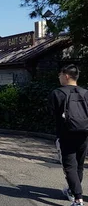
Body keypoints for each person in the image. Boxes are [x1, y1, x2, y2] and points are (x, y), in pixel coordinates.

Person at [48, 64, 88, 206]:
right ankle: (72, 191)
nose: (58, 77)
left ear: (66, 76)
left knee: (69, 166)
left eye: (59, 75)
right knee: (79, 165)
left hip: (66, 134)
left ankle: (78, 199)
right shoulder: (85, 93)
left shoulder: (57, 93)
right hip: (84, 134)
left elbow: (52, 114)